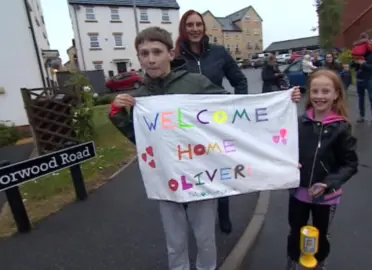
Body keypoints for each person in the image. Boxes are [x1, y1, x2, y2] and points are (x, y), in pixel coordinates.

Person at [109, 27, 302, 270]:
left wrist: (281, 101)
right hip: (166, 176)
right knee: (174, 241)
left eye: (156, 52)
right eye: (144, 53)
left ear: (170, 53)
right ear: (138, 57)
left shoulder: (196, 83)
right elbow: (141, 139)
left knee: (205, 238)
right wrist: (118, 114)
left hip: (201, 173)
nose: (151, 59)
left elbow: (232, 113)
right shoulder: (141, 97)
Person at [174, 10, 248, 234]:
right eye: (190, 25)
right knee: (190, 168)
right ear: (183, 29)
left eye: (199, 24)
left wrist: (237, 109)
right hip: (186, 125)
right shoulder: (176, 57)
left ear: (204, 28)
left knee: (220, 167)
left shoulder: (219, 52)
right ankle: (191, 209)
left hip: (217, 124)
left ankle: (223, 212)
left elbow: (240, 81)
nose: (195, 29)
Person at [286, 69, 359, 270]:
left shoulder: (341, 128)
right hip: (298, 192)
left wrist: (327, 183)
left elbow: (350, 164)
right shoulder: (299, 122)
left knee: (321, 232)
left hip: (327, 196)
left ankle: (319, 263)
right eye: (315, 91)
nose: (319, 96)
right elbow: (285, 148)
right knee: (295, 231)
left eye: (325, 91)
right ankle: (292, 261)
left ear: (336, 94)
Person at [351, 38, 372, 124]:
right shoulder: (360, 53)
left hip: (369, 79)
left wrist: (363, 63)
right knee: (361, 98)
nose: (371, 43)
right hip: (360, 78)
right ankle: (361, 116)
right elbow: (353, 66)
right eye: (370, 42)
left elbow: (371, 68)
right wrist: (354, 62)